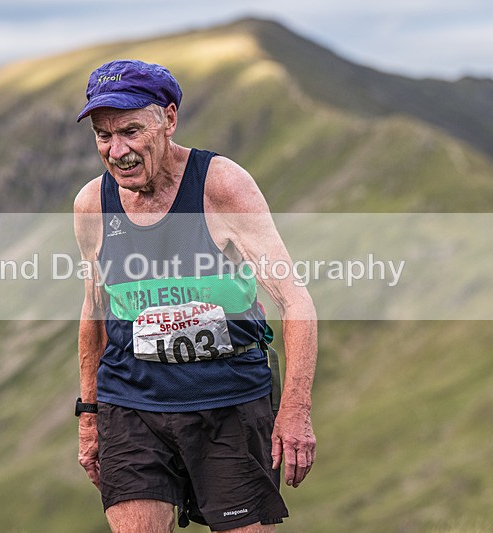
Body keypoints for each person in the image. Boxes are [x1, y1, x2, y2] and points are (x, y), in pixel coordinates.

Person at [73, 59, 317, 533]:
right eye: (104, 136)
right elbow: (94, 311)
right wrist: (89, 415)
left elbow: (295, 299)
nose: (116, 150)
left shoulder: (220, 185)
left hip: (227, 401)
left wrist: (295, 409)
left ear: (168, 119)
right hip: (132, 400)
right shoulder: (92, 204)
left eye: (130, 131)